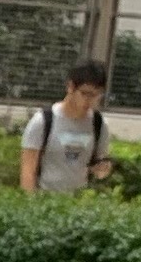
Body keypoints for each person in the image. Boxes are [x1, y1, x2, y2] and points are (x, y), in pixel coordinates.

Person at [19, 60, 116, 196]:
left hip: (80, 199)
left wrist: (103, 168)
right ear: (70, 87)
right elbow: (28, 171)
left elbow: (101, 160)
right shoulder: (43, 121)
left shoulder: (99, 124)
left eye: (96, 95)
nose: (90, 100)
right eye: (85, 93)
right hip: (45, 197)